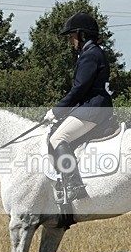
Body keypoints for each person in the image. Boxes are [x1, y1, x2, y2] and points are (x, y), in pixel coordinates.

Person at [44, 12, 113, 204]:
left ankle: (75, 185)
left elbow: (80, 89)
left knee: (58, 137)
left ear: (82, 34)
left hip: (93, 107)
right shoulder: (92, 53)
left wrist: (56, 110)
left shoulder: (90, 55)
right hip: (93, 106)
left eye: (72, 36)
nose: (70, 40)